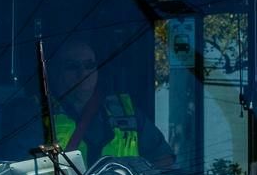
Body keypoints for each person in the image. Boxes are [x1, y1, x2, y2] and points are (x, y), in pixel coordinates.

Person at [46, 34, 170, 167]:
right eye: (72, 66)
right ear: (54, 72)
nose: (83, 72)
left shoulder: (125, 112)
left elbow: (165, 160)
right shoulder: (38, 115)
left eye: (89, 65)